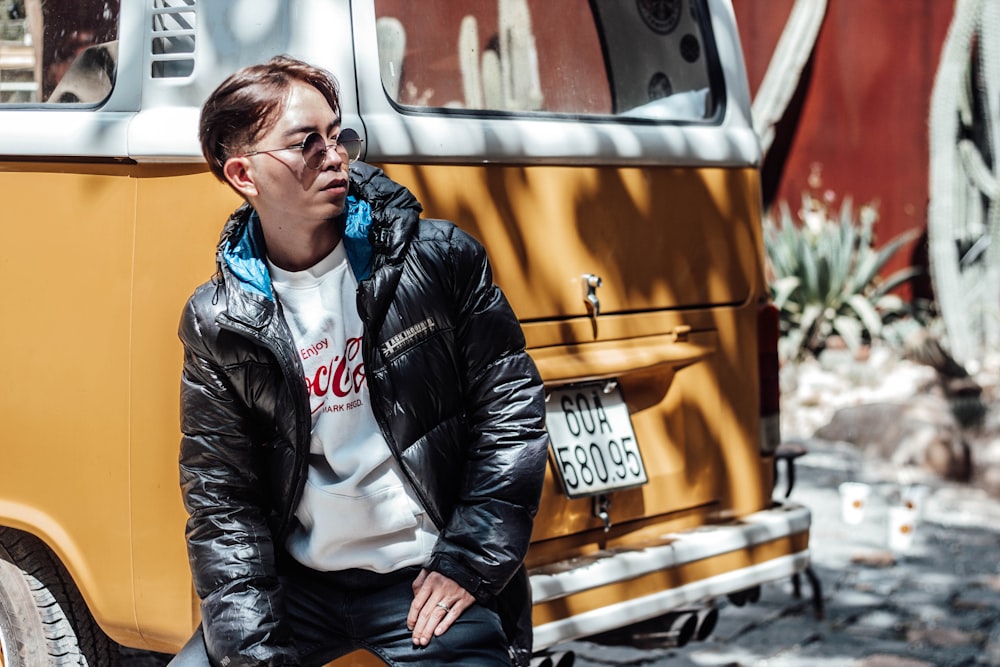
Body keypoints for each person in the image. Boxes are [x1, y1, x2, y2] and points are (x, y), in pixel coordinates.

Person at [174, 55, 549, 667]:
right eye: (306, 143)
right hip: (299, 589)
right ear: (244, 173)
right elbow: (222, 499)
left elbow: (511, 411)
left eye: (337, 134)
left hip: (426, 577)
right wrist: (253, 653)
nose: (334, 153)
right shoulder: (219, 323)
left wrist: (468, 563)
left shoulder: (436, 261)